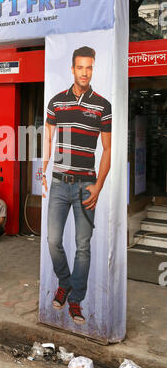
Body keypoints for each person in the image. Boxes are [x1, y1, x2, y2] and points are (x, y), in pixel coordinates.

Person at [42, 46, 111, 325]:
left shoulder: (103, 106)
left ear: (93, 69)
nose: (85, 72)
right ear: (72, 69)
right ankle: (65, 281)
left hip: (86, 185)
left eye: (89, 67)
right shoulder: (56, 102)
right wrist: (43, 169)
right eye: (80, 67)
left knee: (83, 245)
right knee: (53, 241)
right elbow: (48, 138)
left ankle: (75, 300)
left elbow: (107, 150)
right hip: (59, 183)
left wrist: (99, 186)